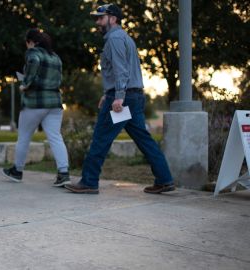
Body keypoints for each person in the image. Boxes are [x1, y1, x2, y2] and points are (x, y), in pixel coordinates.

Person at [64, 3, 175, 194]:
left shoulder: (114, 39)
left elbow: (121, 70)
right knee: (144, 140)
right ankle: (164, 180)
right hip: (133, 96)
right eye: (96, 19)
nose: (97, 22)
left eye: (100, 18)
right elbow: (124, 71)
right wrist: (107, 94)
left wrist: (117, 97)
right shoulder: (125, 38)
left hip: (123, 98)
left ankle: (89, 182)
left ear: (113, 19)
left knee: (101, 138)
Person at [2, 28, 70, 187]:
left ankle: (17, 171)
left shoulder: (33, 53)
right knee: (55, 137)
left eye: (27, 43)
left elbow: (34, 63)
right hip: (54, 103)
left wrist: (25, 84)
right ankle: (64, 173)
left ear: (30, 41)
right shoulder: (56, 57)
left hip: (35, 103)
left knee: (24, 137)